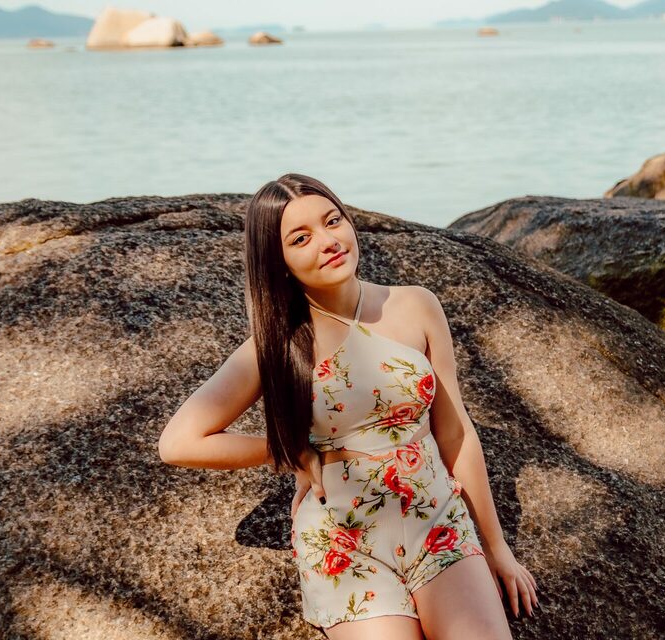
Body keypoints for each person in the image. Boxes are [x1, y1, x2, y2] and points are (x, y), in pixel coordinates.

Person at [158, 173, 539, 639]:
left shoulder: (416, 305)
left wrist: (498, 549)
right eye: (301, 238)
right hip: (343, 540)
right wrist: (286, 450)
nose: (328, 241)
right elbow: (178, 442)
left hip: (436, 519)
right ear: (278, 263)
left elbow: (455, 433)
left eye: (332, 220)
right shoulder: (274, 346)